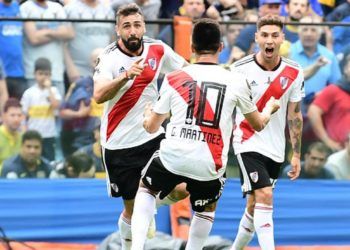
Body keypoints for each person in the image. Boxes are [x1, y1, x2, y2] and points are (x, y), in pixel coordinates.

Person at [130, 18, 280, 250]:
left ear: (191, 47)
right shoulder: (236, 80)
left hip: (174, 157)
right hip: (210, 164)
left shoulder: (174, 77)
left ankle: (136, 246)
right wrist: (270, 108)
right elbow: (258, 124)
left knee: (146, 188)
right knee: (205, 208)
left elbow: (151, 127)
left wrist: (147, 114)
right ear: (221, 47)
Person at [93, 4, 188, 249]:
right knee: (131, 209)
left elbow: (186, 74)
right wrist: (125, 77)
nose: (133, 31)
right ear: (118, 30)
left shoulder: (158, 49)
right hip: (118, 144)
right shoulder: (109, 57)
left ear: (144, 26)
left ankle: (148, 207)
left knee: (183, 189)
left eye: (137, 25)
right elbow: (98, 94)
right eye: (127, 26)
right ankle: (135, 228)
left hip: (153, 135)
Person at [229, 15, 305, 250]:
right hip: (246, 142)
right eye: (264, 35)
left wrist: (295, 154)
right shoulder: (239, 69)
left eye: (274, 35)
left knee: (254, 205)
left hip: (275, 148)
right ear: (256, 38)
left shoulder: (294, 71)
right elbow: (226, 111)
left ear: (282, 38)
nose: (269, 40)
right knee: (264, 195)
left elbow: (295, 116)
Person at [21, 58, 62, 162]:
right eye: (41, 73)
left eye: (47, 74)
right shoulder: (29, 93)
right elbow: (24, 114)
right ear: (35, 74)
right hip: (33, 134)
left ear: (51, 75)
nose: (44, 77)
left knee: (49, 161)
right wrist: (24, 131)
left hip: (49, 135)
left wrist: (49, 89)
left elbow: (56, 106)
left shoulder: (54, 91)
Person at [307, 53, 350, 152]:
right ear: (346, 69)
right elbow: (313, 113)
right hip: (337, 151)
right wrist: (327, 141)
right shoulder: (334, 90)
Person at [0, 98, 23, 172]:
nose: (16, 119)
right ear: (4, 116)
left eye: (19, 115)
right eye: (12, 115)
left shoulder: (23, 137)